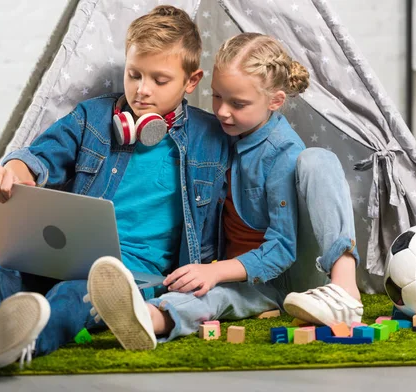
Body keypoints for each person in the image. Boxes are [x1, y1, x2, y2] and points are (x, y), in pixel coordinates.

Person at [0, 6, 229, 371]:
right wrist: (12, 172)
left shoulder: (210, 138)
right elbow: (39, 158)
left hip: (135, 276)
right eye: (134, 75)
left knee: (73, 296)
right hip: (72, 254)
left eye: (159, 80)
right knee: (1, 279)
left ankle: (14, 344)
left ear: (191, 81)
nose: (142, 90)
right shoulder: (94, 118)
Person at [87, 33, 363, 349]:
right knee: (210, 296)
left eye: (238, 103)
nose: (223, 112)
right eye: (217, 96)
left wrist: (215, 272)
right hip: (240, 274)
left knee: (318, 158)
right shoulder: (223, 132)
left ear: (275, 101)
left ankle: (344, 290)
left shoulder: (281, 152)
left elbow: (282, 250)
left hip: (286, 274)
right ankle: (148, 318)